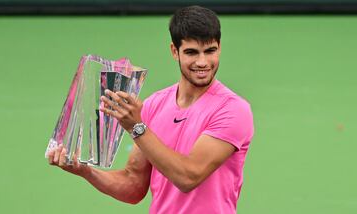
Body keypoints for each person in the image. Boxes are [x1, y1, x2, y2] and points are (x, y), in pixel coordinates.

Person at [48, 5, 254, 214]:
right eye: (191, 52)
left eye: (210, 51)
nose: (202, 62)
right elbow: (133, 186)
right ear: (175, 51)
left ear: (219, 47)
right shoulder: (155, 104)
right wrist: (86, 171)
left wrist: (137, 127)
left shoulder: (233, 110)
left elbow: (189, 176)